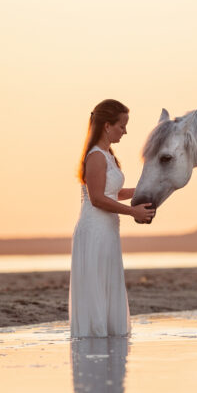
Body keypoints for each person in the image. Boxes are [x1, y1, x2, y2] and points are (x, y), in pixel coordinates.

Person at [70, 99, 155, 337]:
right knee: (96, 286)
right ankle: (94, 342)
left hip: (107, 229)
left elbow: (113, 193)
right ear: (107, 126)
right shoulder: (95, 156)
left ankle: (109, 348)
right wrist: (133, 212)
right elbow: (97, 198)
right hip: (94, 229)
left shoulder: (108, 155)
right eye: (122, 125)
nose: (125, 131)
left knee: (108, 284)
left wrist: (144, 190)